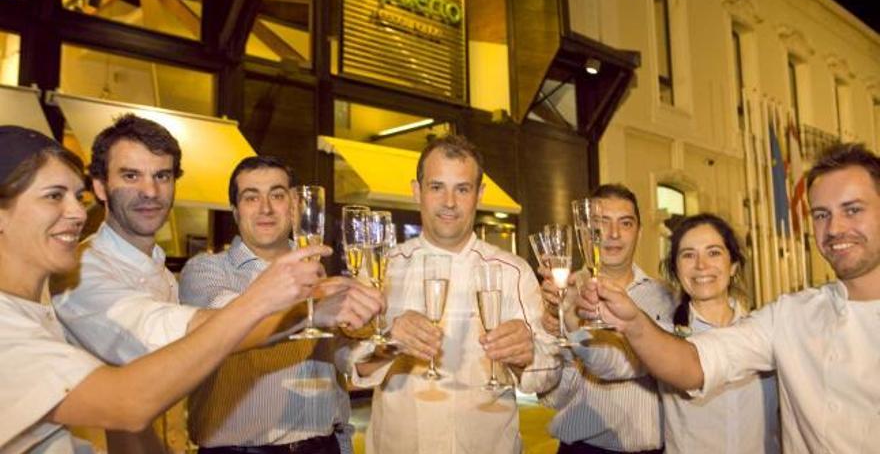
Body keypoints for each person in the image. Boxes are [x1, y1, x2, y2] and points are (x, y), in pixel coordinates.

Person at [0, 125, 325, 453]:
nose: (150, 191)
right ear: (101, 186)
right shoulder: (80, 275)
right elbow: (129, 398)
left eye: (162, 176)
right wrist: (277, 303)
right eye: (130, 176)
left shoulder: (158, 270)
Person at [579, 142, 880, 452]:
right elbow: (696, 363)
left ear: (733, 265)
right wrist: (633, 323)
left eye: (853, 209)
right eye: (820, 214)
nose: (835, 227)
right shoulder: (788, 317)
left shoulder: (763, 319)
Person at [350, 135, 561, 454]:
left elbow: (548, 375)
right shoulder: (383, 268)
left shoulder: (512, 270)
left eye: (462, 189)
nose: (449, 202)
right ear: (416, 191)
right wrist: (389, 343)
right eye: (437, 187)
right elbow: (350, 362)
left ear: (479, 194)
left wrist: (527, 355)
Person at [179, 156, 384, 454]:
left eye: (277, 195)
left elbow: (345, 358)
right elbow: (235, 325)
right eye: (251, 197)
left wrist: (393, 340)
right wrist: (312, 311)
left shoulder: (318, 274)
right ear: (235, 212)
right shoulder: (206, 271)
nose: (265, 208)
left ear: (295, 208)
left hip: (325, 446)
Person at [582, 213, 780, 453]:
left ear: (733, 266)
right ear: (676, 270)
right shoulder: (664, 339)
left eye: (714, 252)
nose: (701, 265)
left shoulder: (765, 335)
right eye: (688, 255)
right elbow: (612, 363)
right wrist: (573, 321)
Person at [538, 184, 674, 454]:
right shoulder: (562, 295)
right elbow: (550, 395)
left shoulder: (666, 297)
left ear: (639, 231)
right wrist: (557, 328)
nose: (613, 234)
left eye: (625, 223)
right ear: (585, 232)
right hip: (582, 448)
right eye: (601, 224)